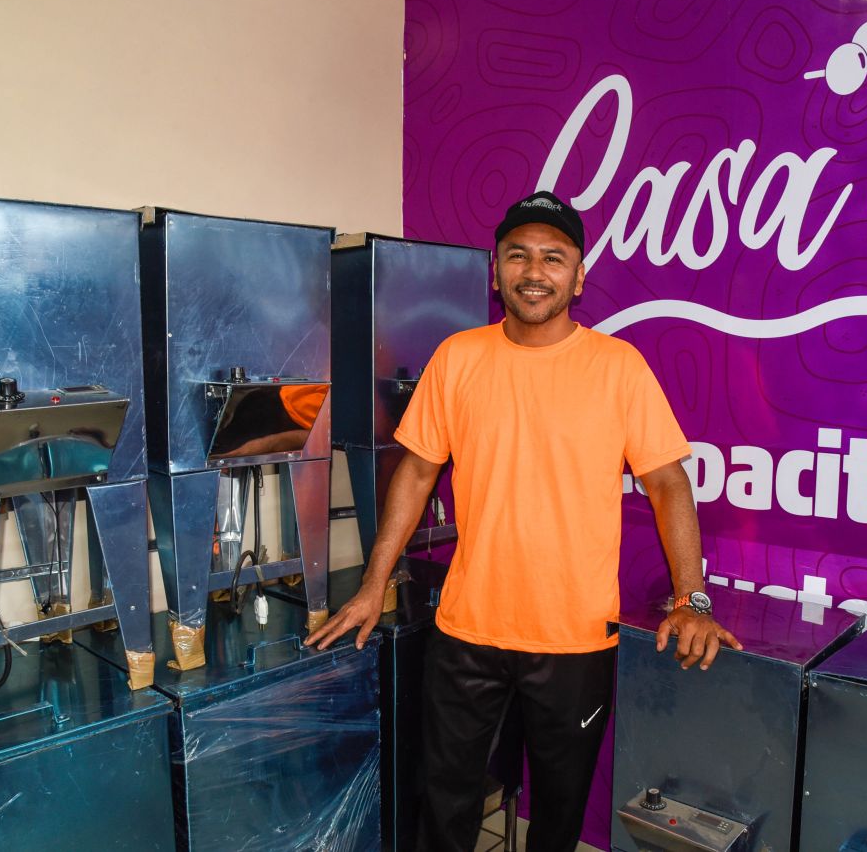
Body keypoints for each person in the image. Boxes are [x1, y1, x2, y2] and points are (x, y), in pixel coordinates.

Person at [306, 190, 742, 852]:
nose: (534, 271)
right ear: (496, 270)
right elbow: (416, 473)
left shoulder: (618, 367)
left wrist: (692, 598)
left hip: (574, 640)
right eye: (518, 255)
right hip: (467, 630)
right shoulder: (458, 357)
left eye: (553, 257)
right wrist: (373, 584)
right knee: (444, 807)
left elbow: (668, 483)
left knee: (557, 819)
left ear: (578, 276)